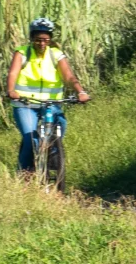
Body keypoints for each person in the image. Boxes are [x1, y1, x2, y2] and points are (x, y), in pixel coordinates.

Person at [6, 18, 90, 175]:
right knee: (31, 138)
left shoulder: (56, 55)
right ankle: (24, 173)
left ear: (50, 39)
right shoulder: (22, 53)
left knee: (59, 129)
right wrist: (11, 90)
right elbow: (13, 73)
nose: (42, 44)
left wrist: (80, 91)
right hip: (26, 104)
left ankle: (51, 158)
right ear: (32, 39)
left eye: (46, 40)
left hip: (51, 104)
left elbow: (69, 77)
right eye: (38, 40)